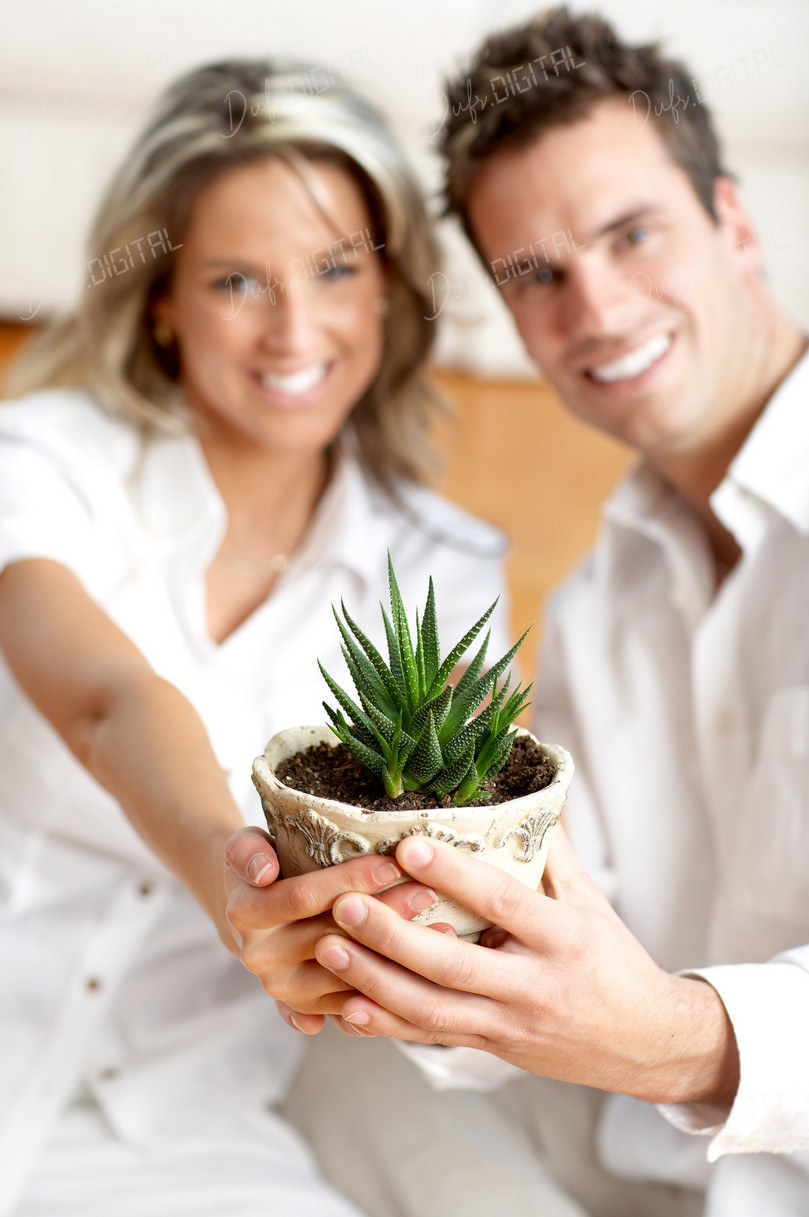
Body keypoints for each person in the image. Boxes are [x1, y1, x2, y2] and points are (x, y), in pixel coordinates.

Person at [225, 10, 809, 1217]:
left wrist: (684, 1039)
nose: (592, 309)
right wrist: (384, 952)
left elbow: (648, 1028)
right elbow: (547, 942)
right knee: (337, 1084)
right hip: (662, 1158)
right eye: (535, 273)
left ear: (733, 221)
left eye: (631, 233)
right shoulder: (600, 597)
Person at [0, 55, 545, 1217]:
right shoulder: (41, 460)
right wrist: (234, 882)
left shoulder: (442, 566)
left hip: (188, 1127)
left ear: (386, 292)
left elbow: (464, 868)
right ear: (161, 296)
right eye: (239, 279)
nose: (296, 327)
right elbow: (104, 699)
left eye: (336, 270)